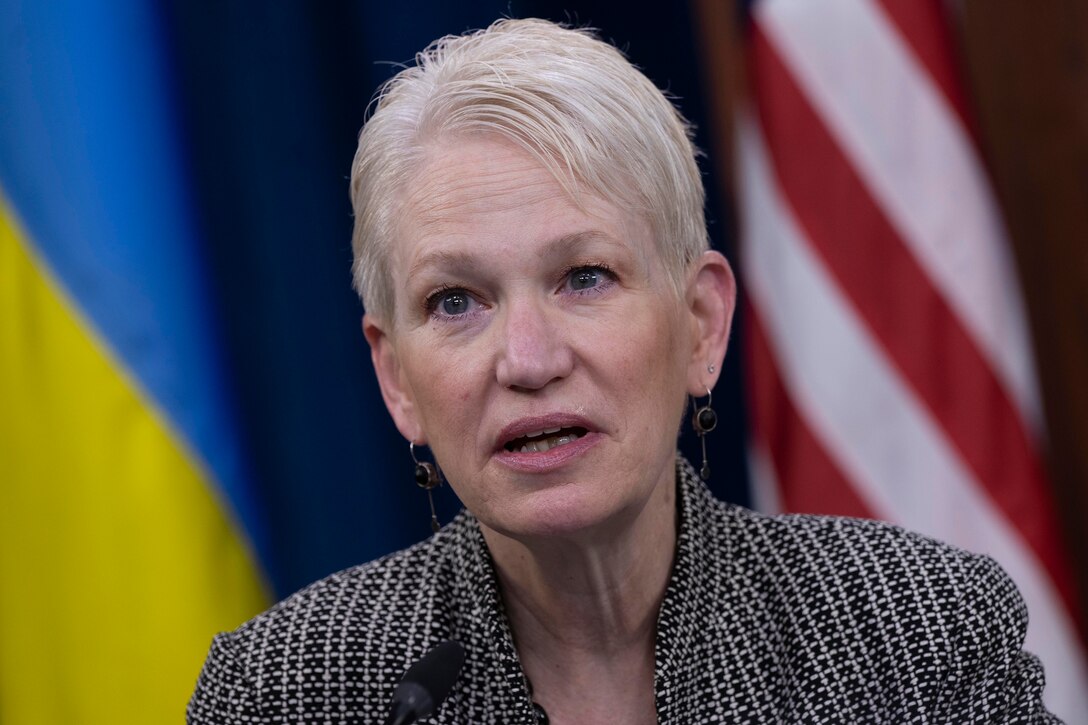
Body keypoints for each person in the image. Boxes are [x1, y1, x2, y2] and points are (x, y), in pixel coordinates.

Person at [187, 18, 1059, 724]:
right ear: (397, 379)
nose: (528, 360)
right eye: (456, 300)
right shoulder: (284, 694)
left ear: (700, 324)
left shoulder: (920, 636)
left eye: (585, 278)